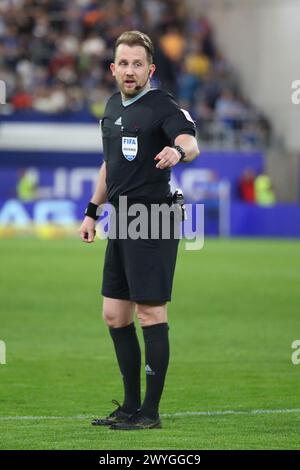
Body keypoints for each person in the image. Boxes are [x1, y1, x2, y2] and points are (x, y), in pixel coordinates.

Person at [79, 30, 199, 431]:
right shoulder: (113, 107)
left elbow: (189, 141)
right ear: (113, 69)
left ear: (150, 68)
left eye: (137, 64)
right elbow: (109, 164)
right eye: (123, 64)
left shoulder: (162, 105)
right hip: (122, 218)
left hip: (154, 218)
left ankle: (150, 412)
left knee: (150, 312)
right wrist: (92, 212)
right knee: (114, 315)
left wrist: (178, 151)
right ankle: (130, 406)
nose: (130, 71)